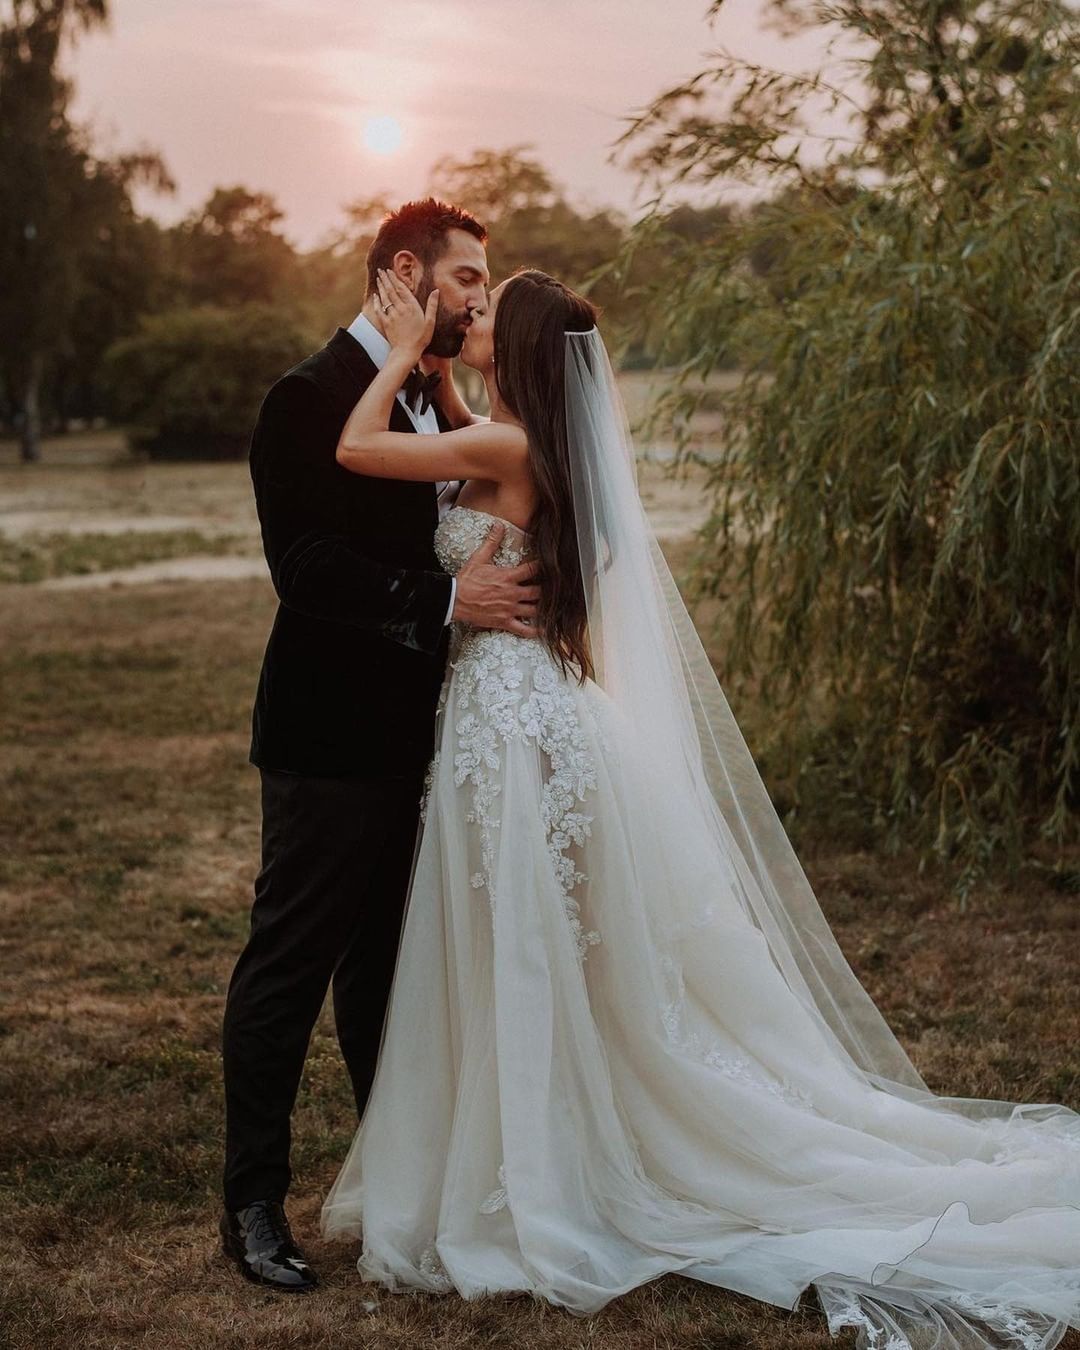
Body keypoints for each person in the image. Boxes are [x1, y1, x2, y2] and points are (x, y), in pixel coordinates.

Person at [318, 263, 1080, 1350]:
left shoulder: (505, 445)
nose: (466, 317)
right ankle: (539, 1140)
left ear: (523, 348)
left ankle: (542, 1164)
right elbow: (462, 434)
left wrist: (395, 355)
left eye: (486, 313)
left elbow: (356, 449)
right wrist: (442, 376)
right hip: (526, 713)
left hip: (512, 721)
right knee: (534, 943)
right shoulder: (531, 437)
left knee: (523, 942)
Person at [218, 199, 541, 1292]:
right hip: (326, 737)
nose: (474, 300)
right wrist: (449, 598)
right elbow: (304, 570)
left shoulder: (423, 394)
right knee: (290, 965)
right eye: (465, 280)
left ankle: (396, 1181)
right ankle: (254, 1204)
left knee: (390, 977)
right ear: (407, 272)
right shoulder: (305, 400)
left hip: (429, 742)